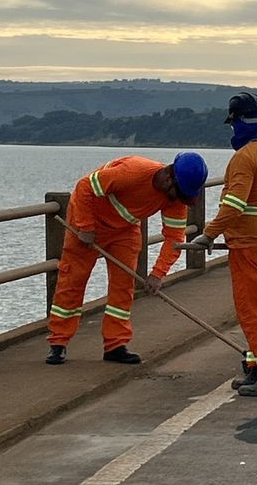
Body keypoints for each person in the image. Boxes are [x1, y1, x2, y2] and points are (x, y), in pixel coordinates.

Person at [46, 152, 208, 366]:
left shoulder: (176, 198)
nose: (179, 200)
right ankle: (58, 343)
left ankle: (115, 345)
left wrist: (157, 274)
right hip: (87, 224)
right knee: (72, 282)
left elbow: (174, 239)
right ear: (169, 177)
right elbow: (85, 186)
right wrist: (85, 226)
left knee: (123, 288)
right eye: (179, 193)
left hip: (124, 230)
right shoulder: (132, 172)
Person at [191, 92, 257, 399]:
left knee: (253, 314)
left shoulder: (245, 157)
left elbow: (234, 205)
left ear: (238, 123)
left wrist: (209, 234)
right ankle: (255, 367)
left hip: (252, 247)